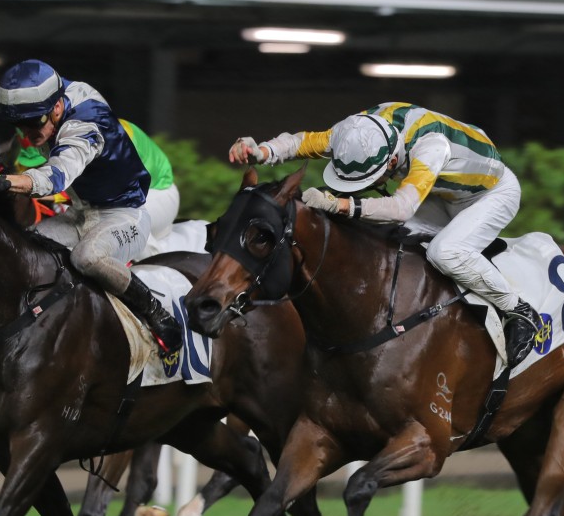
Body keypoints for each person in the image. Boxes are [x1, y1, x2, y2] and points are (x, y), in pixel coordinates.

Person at [229, 102, 543, 367]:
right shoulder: (357, 130)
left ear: (391, 160)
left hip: (491, 194)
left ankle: (519, 310)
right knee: (387, 239)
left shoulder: (430, 147)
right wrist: (261, 151)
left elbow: (401, 207)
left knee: (444, 252)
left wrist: (341, 204)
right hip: (444, 191)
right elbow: (303, 142)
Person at [0, 58, 182, 359]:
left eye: (34, 123)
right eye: (20, 124)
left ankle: (156, 313)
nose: (29, 133)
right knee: (27, 249)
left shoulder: (85, 125)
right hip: (80, 212)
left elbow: (54, 177)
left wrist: (5, 182)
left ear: (57, 108)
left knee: (88, 258)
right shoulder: (45, 97)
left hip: (125, 216)